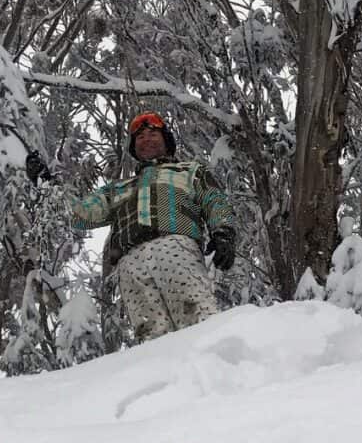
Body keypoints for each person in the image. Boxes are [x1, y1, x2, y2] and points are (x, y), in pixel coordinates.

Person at [31, 111, 236, 342]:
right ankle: (167, 378)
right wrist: (47, 185)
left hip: (175, 246)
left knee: (197, 315)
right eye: (140, 137)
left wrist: (223, 232)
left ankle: (217, 370)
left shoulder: (190, 171)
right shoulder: (117, 188)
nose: (146, 139)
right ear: (134, 148)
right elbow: (78, 214)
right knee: (151, 335)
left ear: (166, 141)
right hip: (130, 262)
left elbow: (214, 200)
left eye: (153, 134)